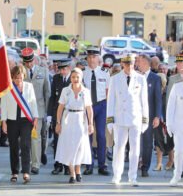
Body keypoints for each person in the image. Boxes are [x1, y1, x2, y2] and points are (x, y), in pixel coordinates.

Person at [107, 55, 149, 186]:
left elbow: (144, 101)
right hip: (120, 118)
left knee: (135, 149)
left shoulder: (141, 79)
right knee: (119, 148)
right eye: (126, 63)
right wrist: (110, 120)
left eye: (131, 63)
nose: (129, 66)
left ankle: (133, 176)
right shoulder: (114, 79)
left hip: (135, 118)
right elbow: (111, 101)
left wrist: (145, 120)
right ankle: (117, 175)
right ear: (122, 64)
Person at [1, 65, 39, 184]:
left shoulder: (29, 87)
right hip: (12, 120)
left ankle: (26, 172)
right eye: (16, 78)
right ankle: (14, 172)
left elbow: (33, 102)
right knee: (13, 146)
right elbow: (4, 105)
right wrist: (4, 122)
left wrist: (35, 117)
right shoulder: (8, 87)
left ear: (24, 76)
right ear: (12, 77)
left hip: (26, 120)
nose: (18, 80)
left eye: (20, 77)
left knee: (25, 145)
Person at [55, 68, 94, 183]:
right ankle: (72, 173)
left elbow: (89, 109)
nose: (75, 79)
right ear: (70, 78)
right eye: (73, 77)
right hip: (68, 119)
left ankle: (78, 169)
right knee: (69, 146)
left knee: (80, 146)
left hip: (81, 119)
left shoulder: (86, 91)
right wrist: (58, 123)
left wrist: (91, 124)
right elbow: (60, 107)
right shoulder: (65, 90)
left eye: (77, 77)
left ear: (81, 78)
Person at [22, 48, 50, 175]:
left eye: (31, 61)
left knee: (35, 137)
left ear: (34, 59)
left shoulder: (43, 71)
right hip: (24, 109)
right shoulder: (20, 72)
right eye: (27, 62)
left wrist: (46, 113)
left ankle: (35, 164)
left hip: (38, 110)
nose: (29, 64)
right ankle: (26, 163)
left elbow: (47, 93)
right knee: (24, 139)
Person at [83, 47, 110, 176]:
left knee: (101, 135)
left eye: (94, 57)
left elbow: (107, 91)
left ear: (98, 58)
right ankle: (88, 165)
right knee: (88, 135)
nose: (91, 59)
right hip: (88, 106)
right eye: (89, 57)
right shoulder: (82, 72)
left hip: (101, 105)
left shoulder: (105, 72)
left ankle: (102, 165)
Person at [137, 54, 162, 177]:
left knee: (147, 143)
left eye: (139, 62)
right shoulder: (134, 77)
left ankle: (145, 167)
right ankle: (134, 164)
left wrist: (157, 116)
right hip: (135, 115)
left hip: (149, 116)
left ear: (146, 63)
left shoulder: (155, 78)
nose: (137, 64)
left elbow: (158, 99)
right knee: (134, 141)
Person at [48, 59, 72, 175]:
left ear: (69, 69)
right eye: (60, 69)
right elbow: (52, 97)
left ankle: (68, 166)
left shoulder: (74, 79)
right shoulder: (56, 79)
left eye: (64, 69)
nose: (62, 72)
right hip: (57, 112)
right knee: (57, 141)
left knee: (68, 141)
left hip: (69, 114)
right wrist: (49, 115)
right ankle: (58, 165)